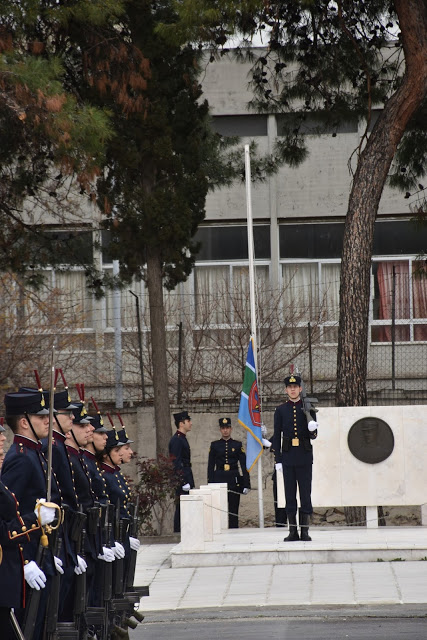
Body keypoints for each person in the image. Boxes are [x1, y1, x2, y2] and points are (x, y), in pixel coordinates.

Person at [1, 391, 63, 640]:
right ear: (24, 421)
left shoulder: (35, 454)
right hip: (27, 559)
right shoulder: (21, 459)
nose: (48, 420)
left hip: (41, 551)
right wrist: (26, 563)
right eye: (41, 416)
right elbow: (8, 516)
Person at [272, 374, 318, 542]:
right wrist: (278, 459)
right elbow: (277, 436)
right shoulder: (281, 410)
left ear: (300, 388)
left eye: (295, 387)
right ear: (286, 390)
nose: (292, 389)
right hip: (288, 456)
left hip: (304, 456)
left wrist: (312, 428)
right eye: (289, 387)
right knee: (289, 494)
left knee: (305, 493)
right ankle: (293, 531)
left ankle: (304, 531)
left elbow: (314, 436)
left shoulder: (308, 407)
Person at [207, 417, 250, 528]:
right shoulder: (215, 445)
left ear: (231, 429)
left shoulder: (237, 445)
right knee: (219, 510)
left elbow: (244, 465)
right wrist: (210, 482)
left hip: (233, 479)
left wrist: (246, 483)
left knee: (233, 510)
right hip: (219, 479)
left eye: (227, 428)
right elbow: (211, 466)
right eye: (223, 428)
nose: (225, 430)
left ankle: (234, 530)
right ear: (220, 430)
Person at [168, 411, 195, 533]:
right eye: (188, 421)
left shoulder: (182, 438)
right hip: (183, 479)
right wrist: (182, 481)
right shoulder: (177, 440)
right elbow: (176, 462)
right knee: (181, 509)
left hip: (187, 475)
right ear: (181, 423)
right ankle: (178, 533)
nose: (191, 423)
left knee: (187, 509)